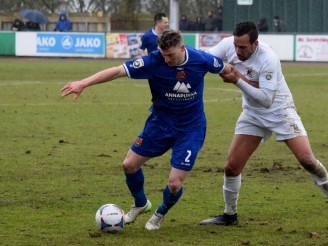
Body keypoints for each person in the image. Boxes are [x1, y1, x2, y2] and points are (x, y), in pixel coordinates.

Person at [61, 30, 232, 231]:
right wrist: (84, 83)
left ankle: (159, 213)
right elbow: (117, 71)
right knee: (129, 165)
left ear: (182, 48)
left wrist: (244, 81)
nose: (166, 59)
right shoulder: (153, 61)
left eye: (171, 55)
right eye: (163, 54)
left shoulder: (202, 59)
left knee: (175, 184)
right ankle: (140, 203)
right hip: (159, 124)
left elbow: (227, 68)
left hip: (190, 129)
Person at [200, 21, 328, 231]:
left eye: (243, 48)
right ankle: (230, 215)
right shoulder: (229, 44)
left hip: (280, 111)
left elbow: (266, 99)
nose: (237, 52)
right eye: (236, 46)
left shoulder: (268, 59)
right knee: (231, 167)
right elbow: (205, 59)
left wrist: (237, 78)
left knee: (308, 161)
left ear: (255, 44)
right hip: (253, 114)